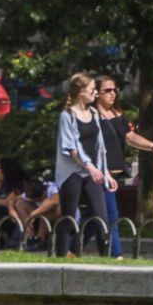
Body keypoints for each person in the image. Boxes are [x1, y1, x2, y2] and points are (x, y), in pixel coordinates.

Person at [95, 75, 153, 257]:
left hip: (115, 175)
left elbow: (131, 137)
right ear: (96, 93)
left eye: (114, 90)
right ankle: (115, 254)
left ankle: (72, 250)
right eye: (107, 91)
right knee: (111, 215)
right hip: (100, 173)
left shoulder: (118, 115)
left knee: (96, 216)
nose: (112, 94)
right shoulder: (91, 116)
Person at [53, 72, 113, 257]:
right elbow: (72, 148)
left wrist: (105, 171)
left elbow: (100, 146)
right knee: (69, 217)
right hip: (72, 172)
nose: (95, 93)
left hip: (92, 172)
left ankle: (106, 258)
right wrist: (89, 166)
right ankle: (61, 255)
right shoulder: (67, 115)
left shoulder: (94, 113)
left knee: (100, 217)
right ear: (80, 92)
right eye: (92, 90)